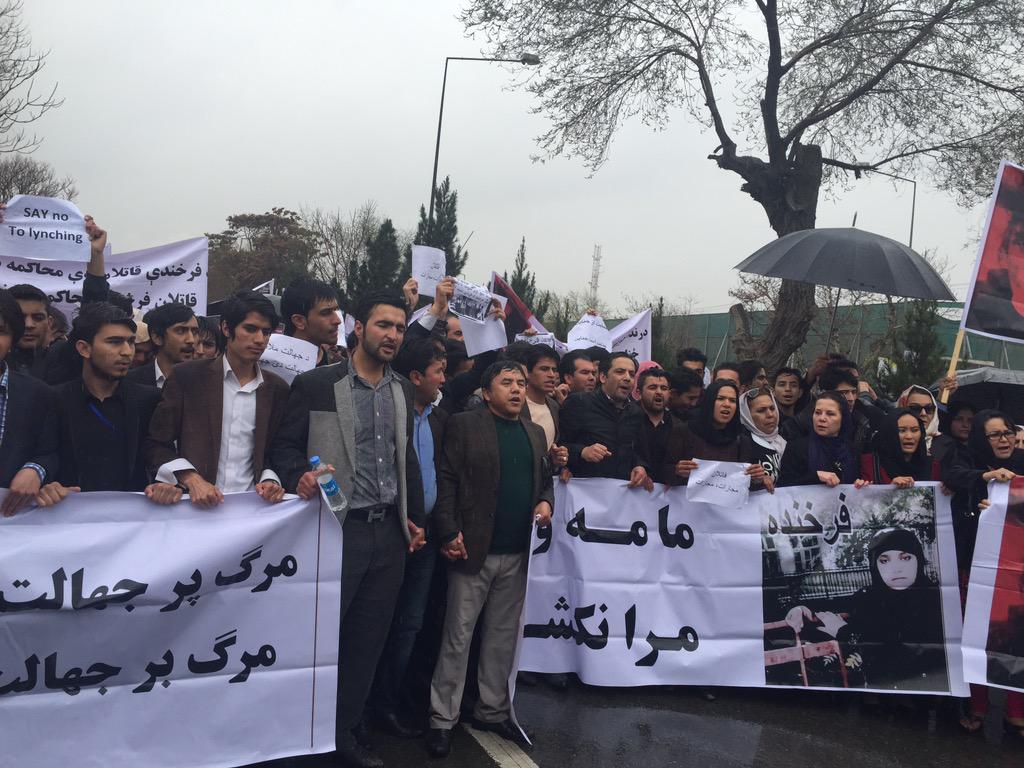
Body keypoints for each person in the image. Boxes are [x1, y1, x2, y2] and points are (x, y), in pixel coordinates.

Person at [269, 291, 425, 768]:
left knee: (366, 643)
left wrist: (413, 517)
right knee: (317, 640)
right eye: (384, 325)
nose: (392, 335)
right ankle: (296, 736)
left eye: (399, 328)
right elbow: (285, 447)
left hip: (388, 535)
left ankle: (342, 736)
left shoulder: (402, 389)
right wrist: (299, 474)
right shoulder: (317, 384)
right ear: (359, 328)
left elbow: (405, 456)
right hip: (335, 532)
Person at [426, 361, 554, 759]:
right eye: (506, 383)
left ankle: (492, 710)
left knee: (502, 637)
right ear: (486, 393)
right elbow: (447, 479)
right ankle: (442, 718)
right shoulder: (465, 425)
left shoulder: (534, 433)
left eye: (520, 383)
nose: (516, 389)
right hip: (472, 550)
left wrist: (546, 502)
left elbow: (544, 480)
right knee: (458, 637)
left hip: (517, 553)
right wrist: (448, 530)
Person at [368, 337, 448, 740]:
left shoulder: (439, 418)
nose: (443, 380)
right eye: (438, 372)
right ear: (415, 377)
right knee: (374, 625)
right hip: (391, 533)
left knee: (410, 626)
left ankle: (388, 704)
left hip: (427, 538)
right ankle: (359, 710)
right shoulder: (388, 414)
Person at [145, 291, 289, 507]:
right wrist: (190, 478)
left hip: (253, 509)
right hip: (193, 508)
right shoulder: (188, 377)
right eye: (250, 329)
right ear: (226, 328)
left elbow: (277, 449)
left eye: (266, 332)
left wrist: (271, 479)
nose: (260, 339)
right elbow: (156, 443)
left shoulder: (276, 388)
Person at [35, 303, 180, 507]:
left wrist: (165, 484)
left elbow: (158, 453)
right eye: (114, 342)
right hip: (68, 516)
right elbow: (45, 455)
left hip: (131, 518)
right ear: (84, 348)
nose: (127, 352)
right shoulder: (53, 400)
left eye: (131, 342)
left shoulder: (149, 400)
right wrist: (47, 486)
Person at [941, 408, 1024, 735]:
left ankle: (1016, 711)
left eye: (1008, 432)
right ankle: (977, 705)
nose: (1004, 440)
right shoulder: (965, 462)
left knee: (1015, 635)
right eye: (994, 435)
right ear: (980, 438)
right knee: (975, 635)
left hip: (1015, 569)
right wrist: (985, 483)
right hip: (973, 565)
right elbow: (952, 477)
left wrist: (1010, 509)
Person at [784, 527, 947, 691]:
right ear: (875, 565)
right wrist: (801, 609)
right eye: (884, 561)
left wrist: (843, 632)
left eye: (905, 558)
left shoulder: (936, 599)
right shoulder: (870, 597)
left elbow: (901, 654)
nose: (896, 568)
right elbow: (834, 605)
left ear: (918, 559)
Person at [0, 287, 58, 517]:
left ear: (13, 339)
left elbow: (51, 451)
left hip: (13, 522)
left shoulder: (38, 394)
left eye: (1, 331)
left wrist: (35, 470)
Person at [558, 351, 651, 487]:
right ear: (602, 377)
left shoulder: (636, 412)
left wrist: (640, 466)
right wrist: (583, 451)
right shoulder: (578, 403)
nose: (627, 378)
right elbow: (560, 446)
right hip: (585, 491)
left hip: (622, 492)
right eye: (620, 372)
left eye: (632, 374)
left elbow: (640, 452)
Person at [662, 379, 766, 489]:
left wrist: (757, 478)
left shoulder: (741, 440)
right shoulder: (684, 432)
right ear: (709, 401)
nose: (727, 404)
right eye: (720, 398)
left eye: (732, 400)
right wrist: (677, 471)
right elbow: (665, 474)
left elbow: (744, 484)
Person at [778, 392, 866, 488]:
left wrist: (858, 486)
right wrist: (816, 477)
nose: (822, 418)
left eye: (830, 414)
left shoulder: (851, 451)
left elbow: (852, 481)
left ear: (843, 418)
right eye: (818, 413)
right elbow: (784, 488)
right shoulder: (796, 448)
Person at [859, 409, 940, 486]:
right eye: (902, 430)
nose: (909, 436)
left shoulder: (933, 467)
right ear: (890, 432)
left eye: (914, 430)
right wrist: (890, 489)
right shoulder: (870, 464)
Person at [126, 302, 197, 389]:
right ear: (157, 337)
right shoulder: (129, 382)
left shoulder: (207, 381)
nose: (191, 340)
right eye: (180, 331)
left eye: (194, 332)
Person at [281, 277, 343, 366]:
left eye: (336, 310)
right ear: (299, 321)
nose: (338, 320)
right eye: (326, 313)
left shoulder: (342, 367)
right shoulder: (266, 366)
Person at [739, 387, 786, 483]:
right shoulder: (741, 445)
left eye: (772, 408)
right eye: (761, 410)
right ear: (747, 416)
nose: (770, 414)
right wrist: (755, 481)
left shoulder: (785, 439)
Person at [636, 367, 673, 484]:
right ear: (639, 393)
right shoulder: (626, 420)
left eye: (664, 388)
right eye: (652, 387)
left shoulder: (677, 426)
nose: (659, 392)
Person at [897, 385, 941, 453]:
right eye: (915, 409)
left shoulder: (946, 445)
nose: (923, 413)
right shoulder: (889, 442)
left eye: (929, 409)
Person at [931, 401, 974, 465]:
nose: (965, 425)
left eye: (970, 420)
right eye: (959, 419)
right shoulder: (941, 448)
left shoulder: (978, 450)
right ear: (949, 421)